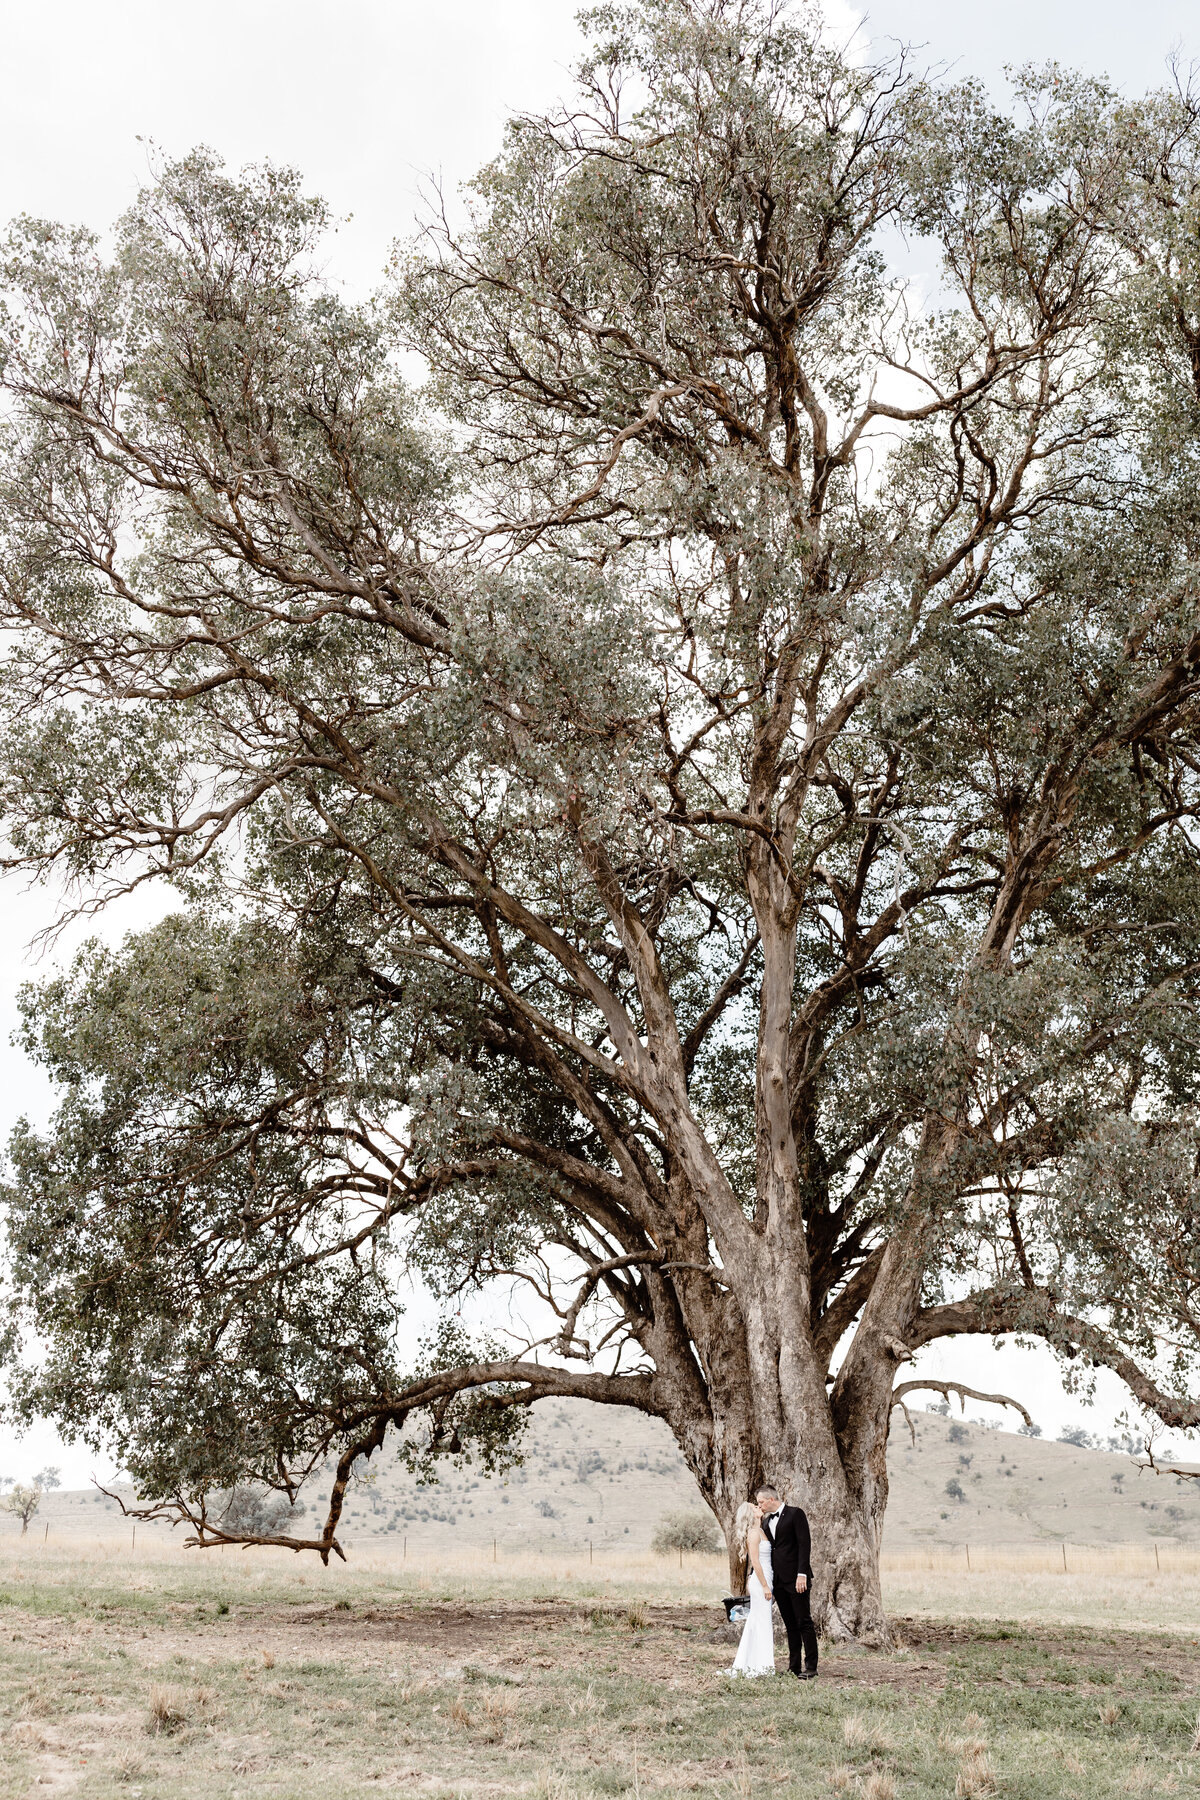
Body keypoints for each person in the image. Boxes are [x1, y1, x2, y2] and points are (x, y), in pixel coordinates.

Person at [756, 1483, 817, 1679]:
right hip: (779, 1581)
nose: (759, 1506)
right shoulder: (765, 1522)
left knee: (803, 1622)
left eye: (761, 1502)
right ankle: (794, 1667)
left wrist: (802, 1574)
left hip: (796, 1579)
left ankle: (811, 1667)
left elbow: (804, 1544)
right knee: (790, 1624)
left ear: (771, 1499)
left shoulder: (795, 1514)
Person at [729, 1498, 775, 1677]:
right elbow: (755, 1562)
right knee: (761, 1620)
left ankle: (757, 1662)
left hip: (766, 1578)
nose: (759, 1507)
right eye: (755, 1506)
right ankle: (761, 1666)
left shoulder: (760, 1530)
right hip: (761, 1581)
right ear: (750, 1514)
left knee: (759, 1621)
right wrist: (764, 1586)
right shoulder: (754, 1534)